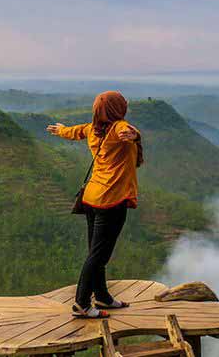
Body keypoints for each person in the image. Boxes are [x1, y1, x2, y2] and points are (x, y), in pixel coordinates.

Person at [47, 91, 144, 319]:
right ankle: (81, 303)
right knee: (99, 255)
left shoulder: (93, 128)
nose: (127, 103)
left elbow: (75, 131)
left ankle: (102, 296)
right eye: (123, 102)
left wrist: (60, 130)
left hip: (91, 198)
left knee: (96, 251)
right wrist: (132, 134)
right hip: (111, 200)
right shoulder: (120, 126)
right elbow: (124, 131)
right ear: (116, 109)